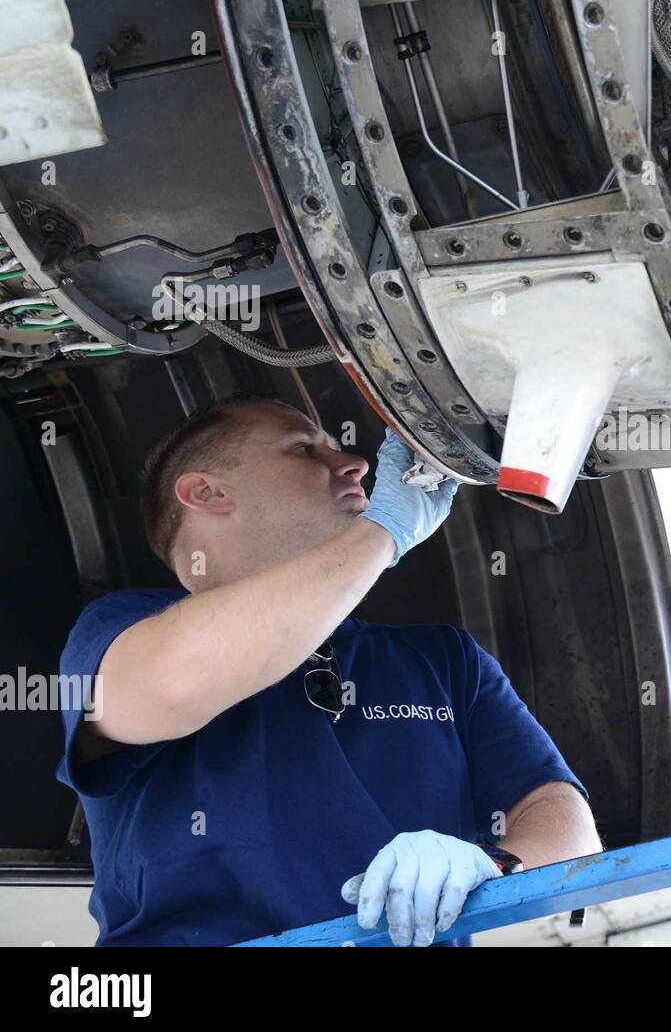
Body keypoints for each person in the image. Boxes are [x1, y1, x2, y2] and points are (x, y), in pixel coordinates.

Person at [55, 393, 600, 946]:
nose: (356, 464)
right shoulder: (118, 629)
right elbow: (173, 684)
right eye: (304, 450)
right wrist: (383, 532)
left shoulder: (442, 658)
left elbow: (564, 821)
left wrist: (498, 865)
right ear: (208, 492)